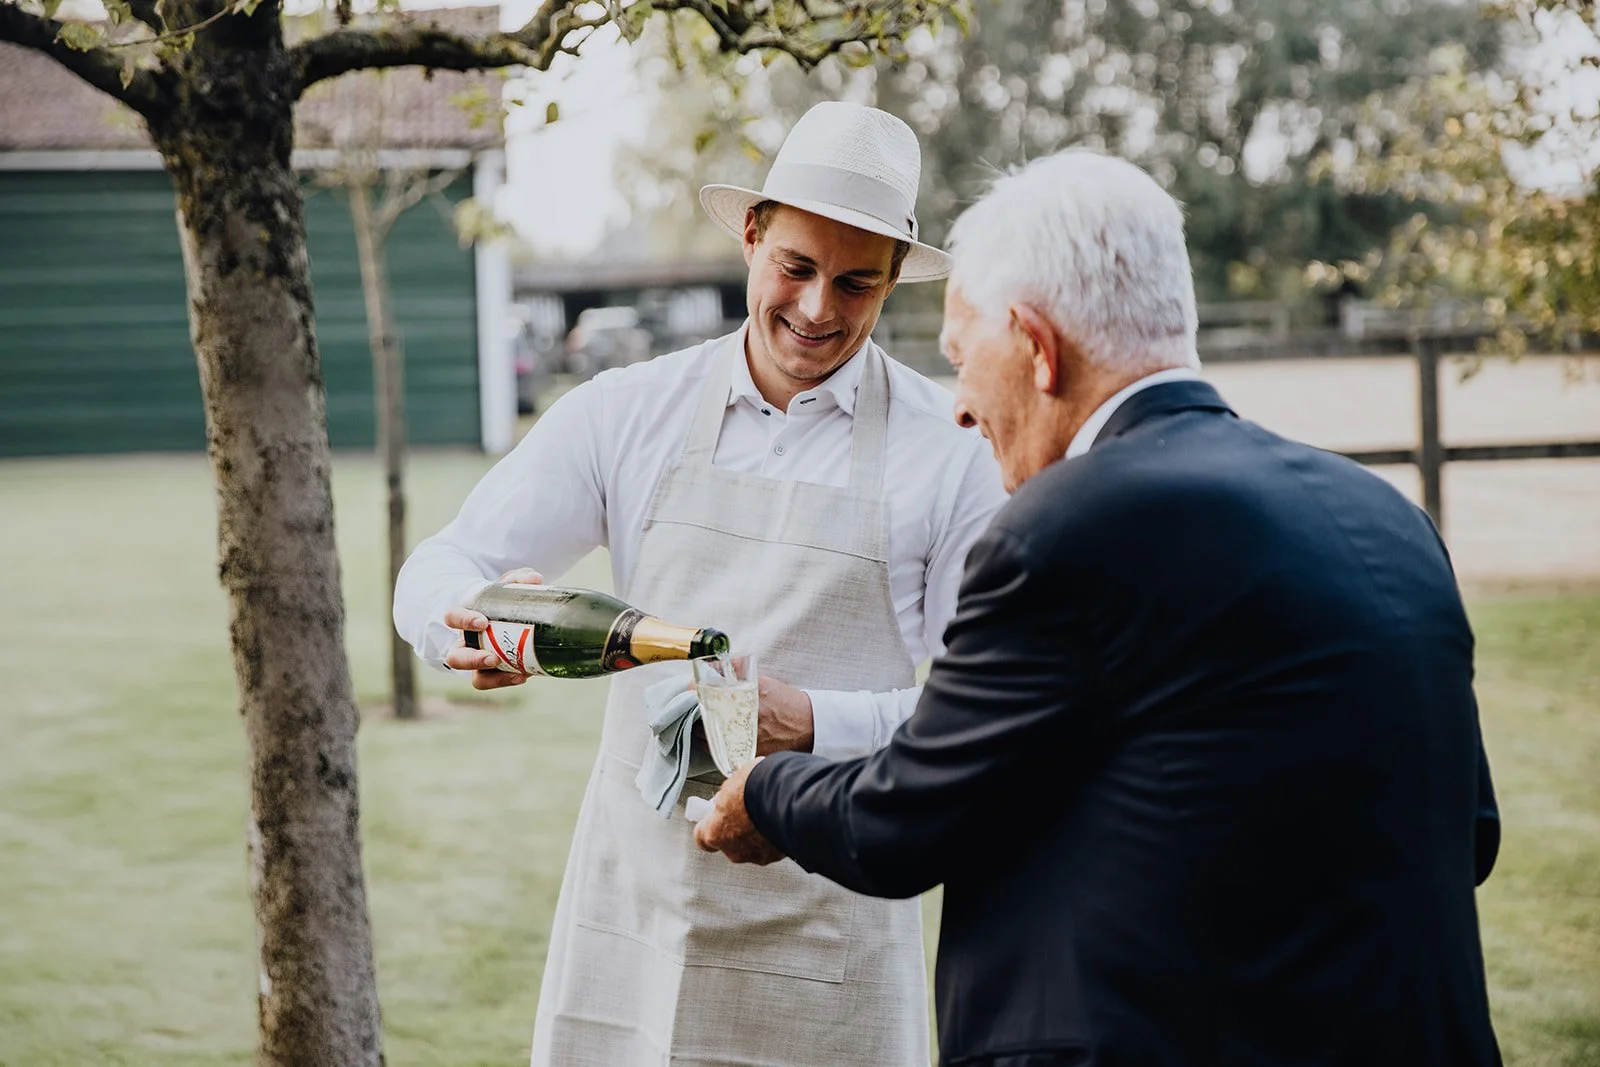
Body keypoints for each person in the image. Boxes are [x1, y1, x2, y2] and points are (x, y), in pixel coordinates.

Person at [696, 149, 1503, 1067]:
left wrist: (763, 792)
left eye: (964, 359)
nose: (960, 409)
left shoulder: (1065, 528)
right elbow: (1468, 834)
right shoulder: (1391, 518)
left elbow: (903, 821)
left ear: (1037, 348)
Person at [393, 101, 1007, 1066]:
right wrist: (460, 625)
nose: (817, 310)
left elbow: (977, 720)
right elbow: (442, 563)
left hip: (832, 937)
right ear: (754, 232)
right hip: (633, 930)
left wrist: (812, 721)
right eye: (797, 269)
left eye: (855, 283)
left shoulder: (954, 456)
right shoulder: (623, 411)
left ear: (893, 282)